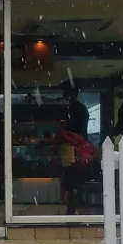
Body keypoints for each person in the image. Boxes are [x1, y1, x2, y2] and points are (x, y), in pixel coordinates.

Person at [55, 84, 92, 214]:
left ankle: (72, 203)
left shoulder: (72, 110)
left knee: (70, 174)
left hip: (72, 146)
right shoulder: (79, 109)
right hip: (77, 146)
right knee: (74, 174)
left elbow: (71, 129)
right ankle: (74, 202)